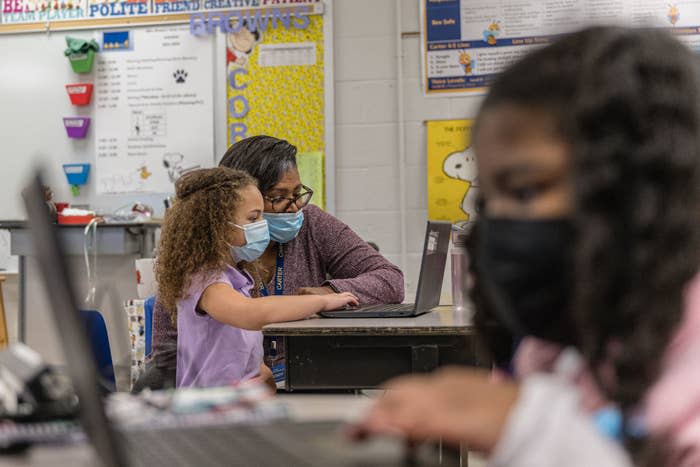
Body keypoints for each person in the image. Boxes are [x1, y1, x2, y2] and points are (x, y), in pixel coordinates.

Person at [353, 26, 700, 467]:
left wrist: (525, 422)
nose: (499, 224)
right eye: (488, 201)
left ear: (650, 188)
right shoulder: (556, 348)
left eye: (524, 192)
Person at [147, 136, 404, 387]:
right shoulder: (202, 274)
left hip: (302, 378)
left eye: (297, 194)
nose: (294, 208)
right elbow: (250, 314)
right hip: (214, 404)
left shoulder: (252, 266)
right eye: (278, 198)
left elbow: (390, 279)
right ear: (222, 215)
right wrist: (317, 302)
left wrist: (330, 290)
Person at [156, 167, 359, 388]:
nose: (263, 225)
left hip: (241, 406)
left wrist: (263, 374)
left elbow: (240, 349)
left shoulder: (238, 279)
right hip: (208, 411)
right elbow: (251, 313)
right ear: (216, 226)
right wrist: (322, 301)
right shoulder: (203, 280)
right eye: (254, 218)